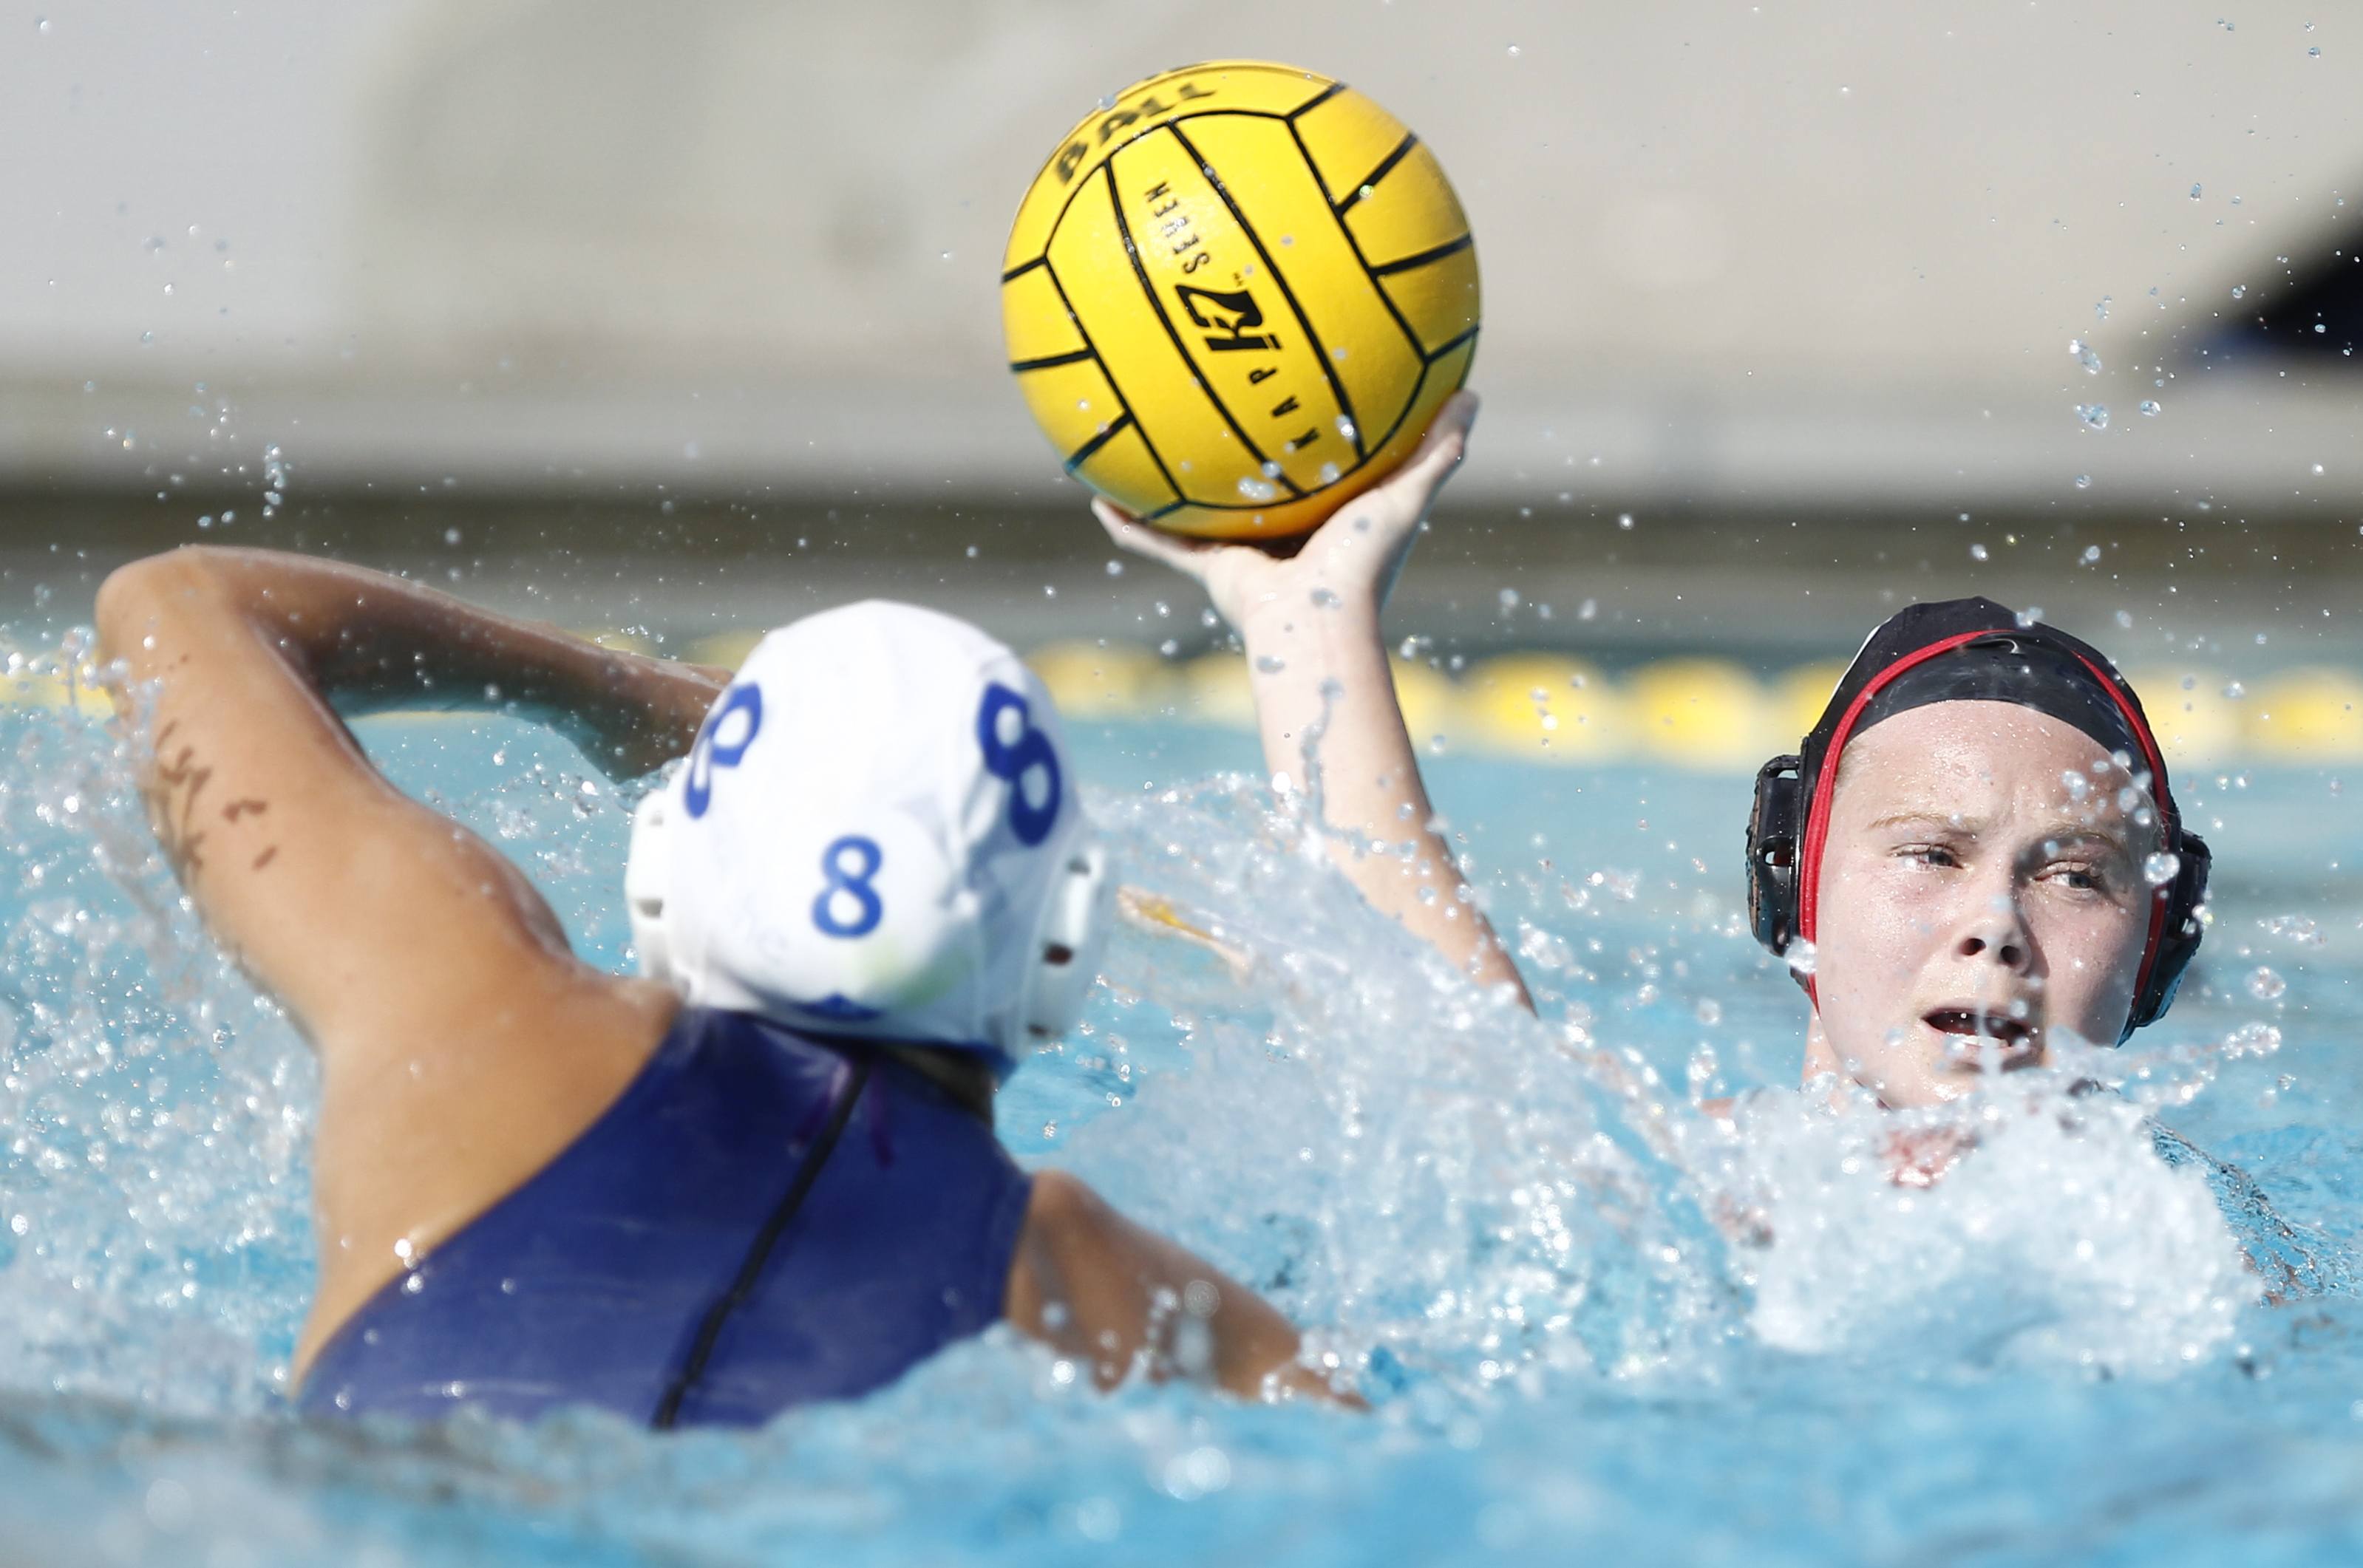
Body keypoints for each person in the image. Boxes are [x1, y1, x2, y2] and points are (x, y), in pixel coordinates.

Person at [93, 548, 1330, 1427]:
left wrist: (600, 688)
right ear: (1062, 946)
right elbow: (1500, 1125)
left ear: (663, 870)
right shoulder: (1099, 1287)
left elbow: (174, 603)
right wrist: (1315, 617)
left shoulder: (465, 1016)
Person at [1099, 390, 2211, 1107]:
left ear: (2158, 943)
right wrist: (1307, 617)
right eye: (1929, 853)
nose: (1992, 928)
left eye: (2073, 875)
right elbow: (1447, 1057)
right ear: (1793, 890)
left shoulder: (2216, 1266)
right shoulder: (1688, 1182)